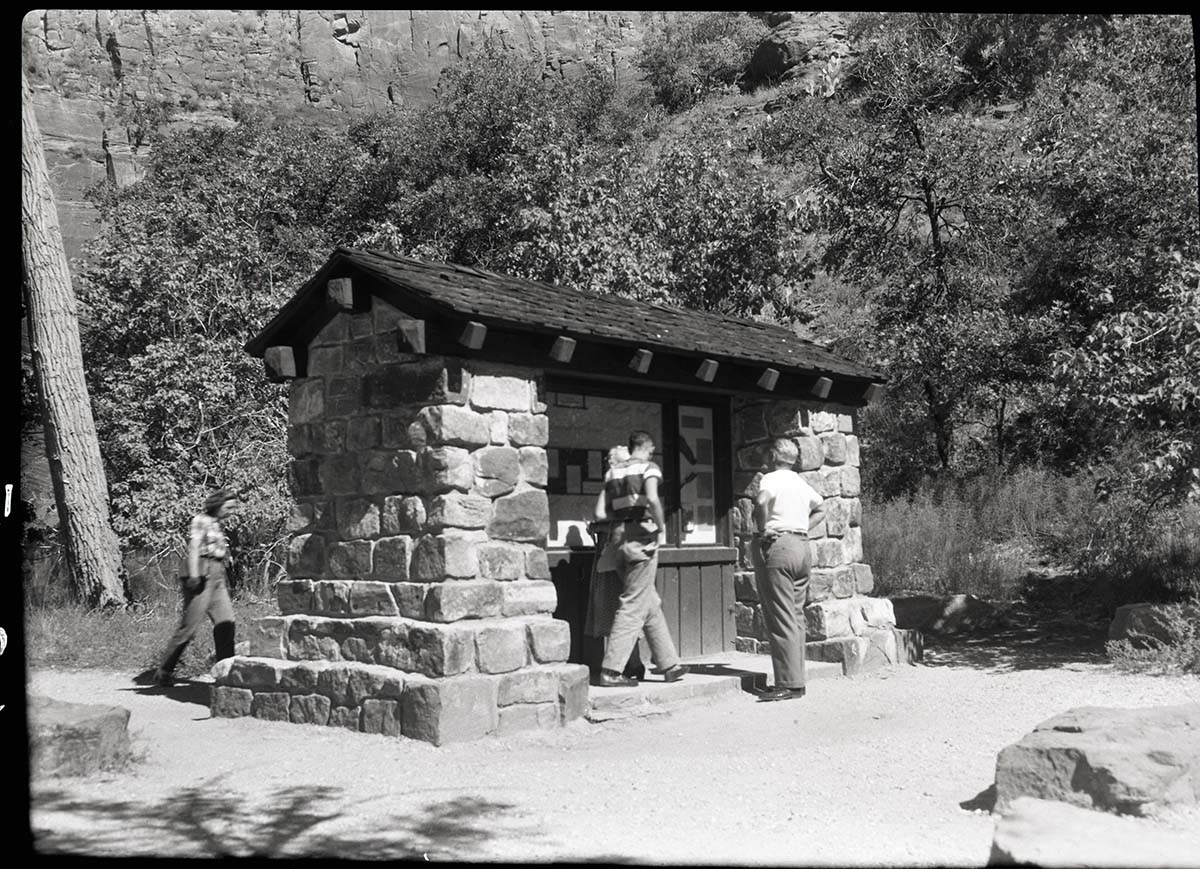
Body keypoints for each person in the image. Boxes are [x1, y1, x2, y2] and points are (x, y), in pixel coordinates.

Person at [593, 431, 688, 688]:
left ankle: (669, 665)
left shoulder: (613, 473)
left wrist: (621, 517)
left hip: (619, 539)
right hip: (642, 538)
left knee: (648, 600)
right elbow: (653, 498)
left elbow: (600, 511)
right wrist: (660, 527)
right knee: (634, 604)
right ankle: (611, 670)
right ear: (648, 447)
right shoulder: (648, 467)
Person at [752, 438, 824, 701]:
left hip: (779, 546)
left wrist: (763, 531)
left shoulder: (771, 479)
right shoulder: (800, 482)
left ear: (773, 456)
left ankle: (787, 683)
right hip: (801, 546)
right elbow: (821, 509)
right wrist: (800, 525)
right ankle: (797, 680)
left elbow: (760, 502)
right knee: (794, 614)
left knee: (780, 616)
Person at [149, 487, 240, 687]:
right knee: (189, 627)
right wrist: (193, 575)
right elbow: (194, 548)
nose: (230, 511)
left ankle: (225, 671)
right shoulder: (201, 520)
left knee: (226, 623)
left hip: (217, 576)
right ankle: (163, 670)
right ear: (218, 503)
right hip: (202, 573)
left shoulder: (216, 524)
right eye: (228, 507)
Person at [583, 446, 646, 681]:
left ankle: (623, 666)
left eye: (613, 462)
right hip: (624, 553)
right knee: (625, 609)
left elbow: (607, 518)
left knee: (618, 610)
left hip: (615, 555)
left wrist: (596, 526)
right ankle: (632, 663)